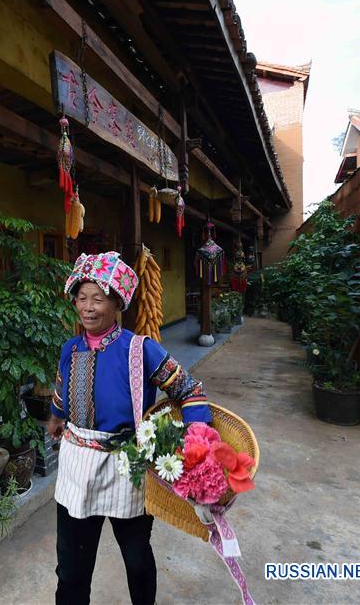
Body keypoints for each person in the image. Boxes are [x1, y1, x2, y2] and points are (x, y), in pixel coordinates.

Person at [48, 252, 212, 605]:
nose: (87, 307)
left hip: (128, 466)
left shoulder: (141, 350)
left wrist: (199, 436)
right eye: (81, 297)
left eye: (97, 298)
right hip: (77, 467)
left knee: (137, 560)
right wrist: (56, 417)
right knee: (72, 569)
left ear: (118, 302)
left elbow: (189, 389)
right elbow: (61, 392)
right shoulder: (69, 349)